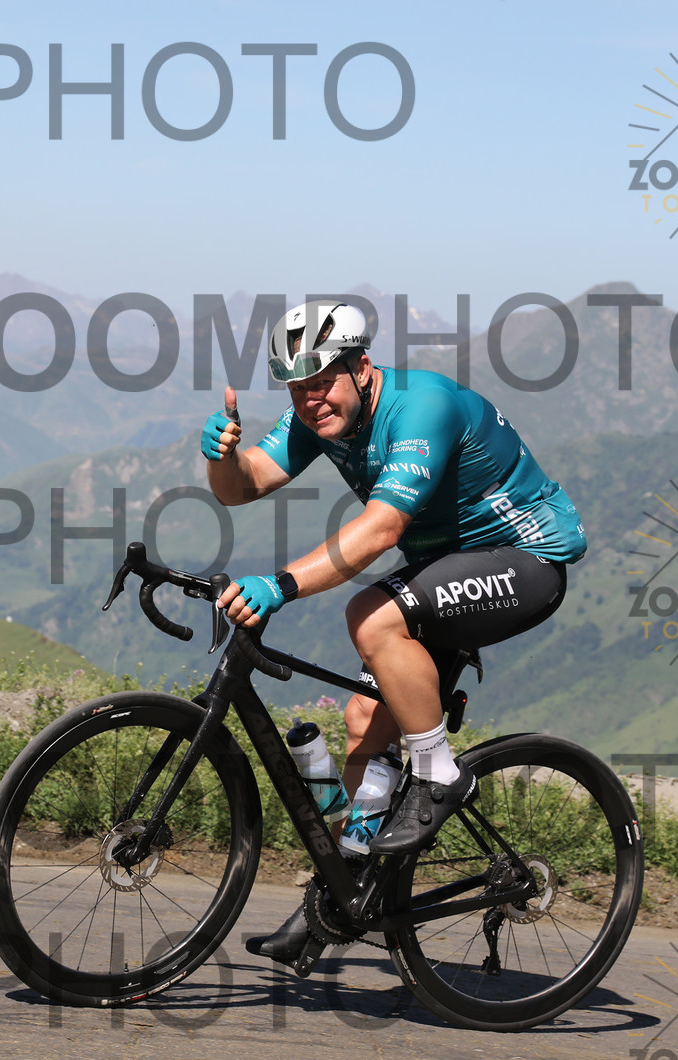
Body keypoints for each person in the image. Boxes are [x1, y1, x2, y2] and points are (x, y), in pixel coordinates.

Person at [201, 299, 586, 962]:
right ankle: (344, 897)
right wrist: (223, 457)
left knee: (370, 615)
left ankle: (439, 774)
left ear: (362, 367)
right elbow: (244, 485)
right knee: (362, 722)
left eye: (323, 380)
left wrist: (281, 585)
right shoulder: (321, 416)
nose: (311, 398)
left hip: (525, 559)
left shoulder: (421, 407)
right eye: (296, 387)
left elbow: (381, 530)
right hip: (446, 571)